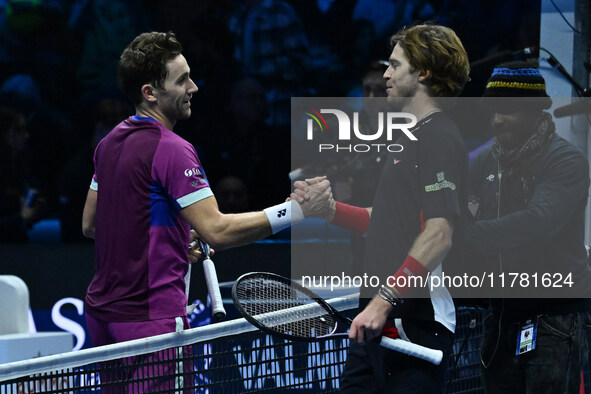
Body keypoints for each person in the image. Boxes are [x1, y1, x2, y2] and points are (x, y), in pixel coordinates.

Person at [81, 31, 330, 389]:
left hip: (102, 315)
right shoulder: (172, 149)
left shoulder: (108, 143)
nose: (193, 87)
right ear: (150, 92)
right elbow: (218, 231)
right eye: (182, 80)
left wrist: (174, 237)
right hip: (151, 320)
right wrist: (297, 211)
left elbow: (92, 224)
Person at [293, 24, 470, 392]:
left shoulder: (438, 136)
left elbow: (439, 234)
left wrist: (383, 300)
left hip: (414, 327)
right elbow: (386, 221)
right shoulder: (410, 137)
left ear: (423, 72)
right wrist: (329, 210)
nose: (385, 75)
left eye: (394, 65)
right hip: (377, 326)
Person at [467, 61, 591, 393]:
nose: (496, 120)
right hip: (501, 314)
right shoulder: (481, 161)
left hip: (554, 315)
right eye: (493, 110)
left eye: (507, 110)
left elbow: (537, 223)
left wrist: (461, 234)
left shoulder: (565, 160)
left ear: (535, 110)